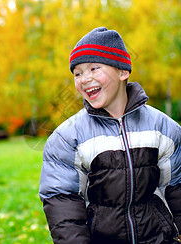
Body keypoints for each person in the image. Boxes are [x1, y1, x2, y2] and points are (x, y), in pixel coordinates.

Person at [39, 27, 181, 244]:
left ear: (123, 72)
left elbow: (176, 188)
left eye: (94, 68)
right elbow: (62, 203)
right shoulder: (68, 138)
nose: (84, 79)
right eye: (77, 73)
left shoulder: (163, 128)